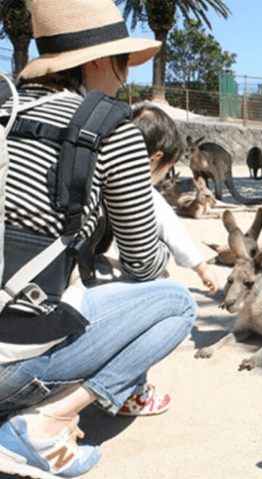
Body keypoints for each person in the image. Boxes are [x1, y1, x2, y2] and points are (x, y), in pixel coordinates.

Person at [0, 1, 203, 478]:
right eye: (123, 63)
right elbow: (142, 266)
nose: (125, 79)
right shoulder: (111, 129)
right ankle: (46, 424)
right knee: (176, 304)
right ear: (95, 62)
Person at [92, 104, 220, 291]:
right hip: (116, 279)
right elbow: (174, 233)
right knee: (178, 295)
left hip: (82, 273)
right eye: (167, 167)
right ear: (155, 158)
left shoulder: (96, 175)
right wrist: (202, 268)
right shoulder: (144, 192)